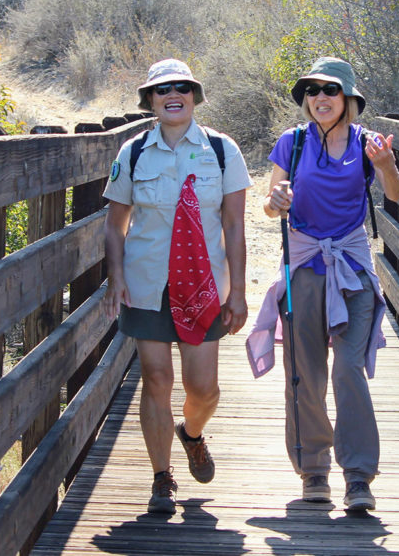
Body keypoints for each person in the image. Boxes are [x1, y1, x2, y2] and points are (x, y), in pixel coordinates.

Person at [246, 56, 399, 512]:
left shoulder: (368, 144)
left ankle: (358, 476)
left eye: (330, 90)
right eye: (312, 91)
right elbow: (272, 207)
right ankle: (313, 470)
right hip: (304, 264)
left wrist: (388, 165)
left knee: (347, 367)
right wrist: (276, 202)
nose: (320, 98)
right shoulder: (291, 144)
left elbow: (393, 194)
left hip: (351, 268)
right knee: (305, 373)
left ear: (348, 98)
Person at [103, 58, 252, 514]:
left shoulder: (222, 150)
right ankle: (161, 478)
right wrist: (116, 277)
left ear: (194, 96)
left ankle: (191, 434)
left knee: (203, 388)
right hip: (148, 283)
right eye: (162, 88)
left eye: (182, 87)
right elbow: (115, 225)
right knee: (156, 378)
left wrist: (239, 291)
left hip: (204, 285)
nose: (174, 94)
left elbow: (234, 225)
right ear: (149, 100)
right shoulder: (132, 153)